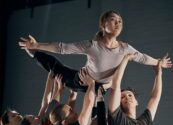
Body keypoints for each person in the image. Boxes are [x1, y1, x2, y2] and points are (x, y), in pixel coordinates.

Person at [18, 10, 172, 92]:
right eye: (113, 19)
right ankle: (32, 53)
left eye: (120, 21)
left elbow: (143, 58)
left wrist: (160, 62)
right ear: (103, 25)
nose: (118, 22)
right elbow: (62, 48)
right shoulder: (92, 45)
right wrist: (37, 45)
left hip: (100, 88)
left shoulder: (125, 49)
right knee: (56, 68)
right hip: (79, 80)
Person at [107, 53, 166, 125]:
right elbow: (116, 84)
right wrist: (125, 59)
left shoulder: (144, 121)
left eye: (130, 95)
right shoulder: (118, 119)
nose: (127, 97)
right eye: (122, 97)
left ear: (136, 102)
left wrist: (158, 73)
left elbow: (155, 98)